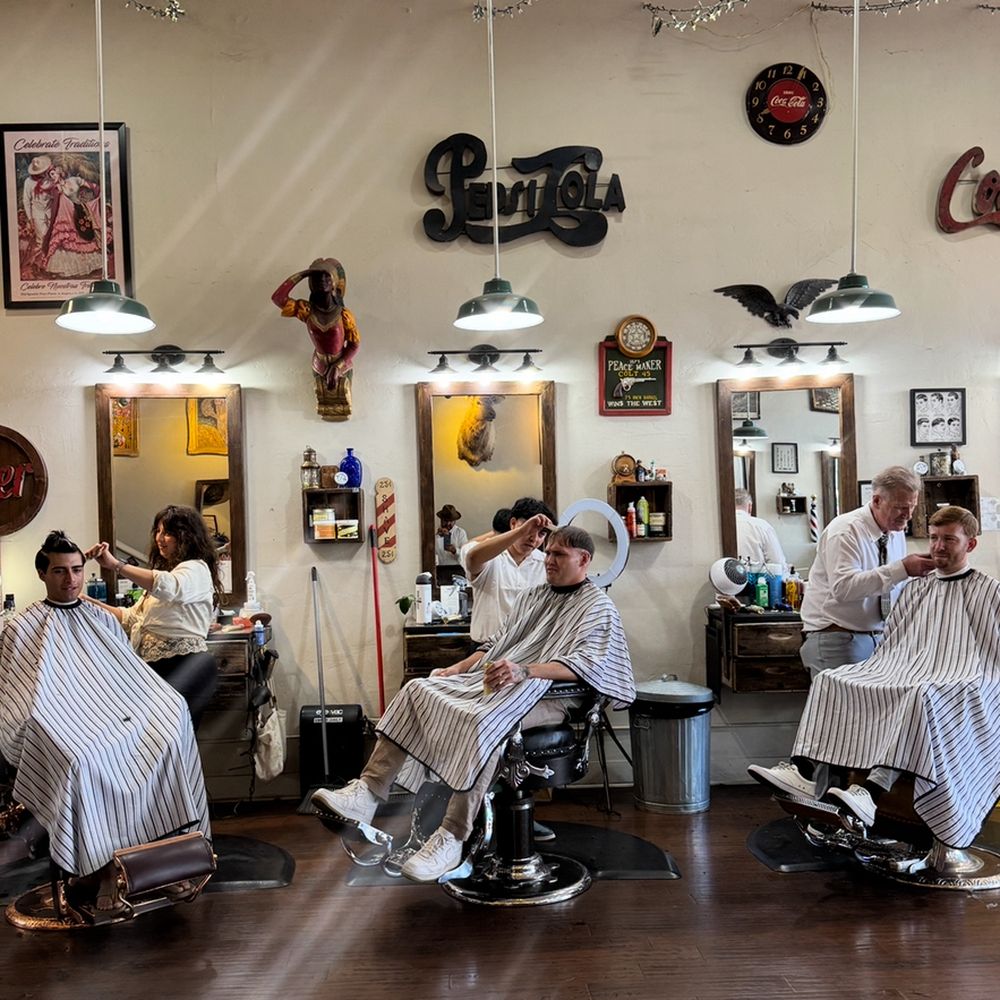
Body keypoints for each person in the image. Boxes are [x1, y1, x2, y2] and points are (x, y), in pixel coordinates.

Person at [312, 525, 635, 882]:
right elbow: (495, 645)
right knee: (418, 689)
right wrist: (455, 669)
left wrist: (525, 670)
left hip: (551, 696)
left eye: (559, 554)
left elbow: (588, 665)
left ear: (584, 559)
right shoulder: (534, 596)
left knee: (487, 720)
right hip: (504, 684)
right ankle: (368, 794)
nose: (549, 560)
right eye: (549, 553)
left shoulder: (598, 606)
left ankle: (451, 837)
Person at [749, 507, 1000, 849]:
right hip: (906, 668)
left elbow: (992, 656)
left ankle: (871, 790)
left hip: (962, 680)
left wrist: (955, 675)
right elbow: (893, 643)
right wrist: (895, 667)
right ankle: (804, 771)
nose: (938, 547)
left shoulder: (989, 591)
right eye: (935, 538)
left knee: (919, 694)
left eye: (949, 540)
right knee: (832, 680)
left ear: (970, 545)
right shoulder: (916, 588)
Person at [0, 531, 210, 882]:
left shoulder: (100, 619)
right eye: (59, 571)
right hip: (57, 724)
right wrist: (57, 720)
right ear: (42, 574)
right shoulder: (21, 628)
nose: (71, 579)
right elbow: (22, 699)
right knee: (79, 760)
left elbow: (127, 679)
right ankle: (96, 874)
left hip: (111, 719)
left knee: (169, 730)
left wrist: (164, 707)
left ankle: (169, 858)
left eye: (77, 570)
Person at [86, 504, 224, 728]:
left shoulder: (196, 569)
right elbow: (129, 618)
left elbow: (169, 586)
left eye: (168, 532)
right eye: (158, 531)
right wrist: (86, 601)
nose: (160, 538)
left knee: (172, 738)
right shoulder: (169, 577)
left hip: (186, 664)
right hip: (159, 667)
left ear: (187, 536)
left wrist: (116, 565)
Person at [798, 465, 934, 679]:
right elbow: (843, 588)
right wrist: (903, 568)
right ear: (877, 500)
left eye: (912, 507)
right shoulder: (845, 530)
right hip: (838, 638)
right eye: (900, 507)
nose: (907, 516)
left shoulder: (894, 533)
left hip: (877, 638)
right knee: (842, 712)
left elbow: (890, 586)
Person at [271, 258, 360, 420]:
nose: (323, 282)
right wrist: (303, 274)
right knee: (324, 402)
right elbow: (278, 298)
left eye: (327, 278)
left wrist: (337, 367)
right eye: (317, 279)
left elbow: (354, 344)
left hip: (341, 364)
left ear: (334, 283)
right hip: (319, 364)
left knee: (341, 399)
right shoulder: (306, 310)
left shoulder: (344, 314)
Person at [461, 496, 556, 644]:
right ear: (513, 523)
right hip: (485, 650)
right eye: (530, 530)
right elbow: (473, 559)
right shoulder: (489, 556)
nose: (534, 538)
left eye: (541, 534)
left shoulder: (545, 563)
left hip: (525, 652)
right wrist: (521, 531)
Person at [734, 488, 787, 570]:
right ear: (750, 506)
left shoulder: (719, 526)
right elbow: (778, 564)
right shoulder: (762, 526)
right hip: (758, 581)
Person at [434, 503, 468, 568]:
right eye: (446, 520)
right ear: (441, 519)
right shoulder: (434, 534)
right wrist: (437, 536)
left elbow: (466, 554)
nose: (448, 523)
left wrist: (455, 550)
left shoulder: (460, 533)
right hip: (439, 570)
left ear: (455, 521)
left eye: (451, 521)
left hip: (457, 569)